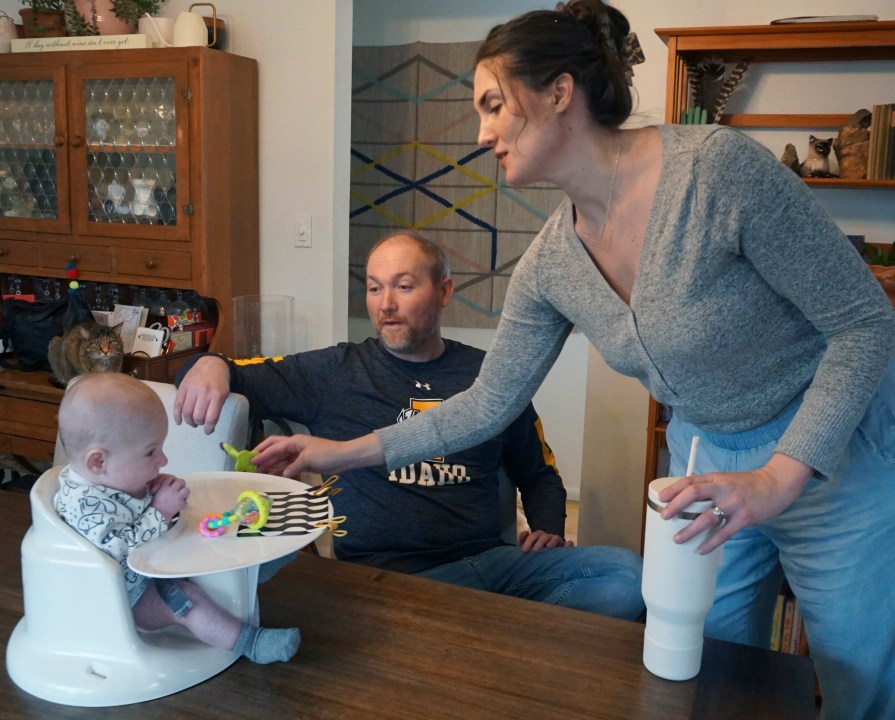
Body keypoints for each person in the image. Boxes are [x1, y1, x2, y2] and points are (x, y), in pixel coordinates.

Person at [235, 3, 895, 719]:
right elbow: (487, 403)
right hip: (705, 461)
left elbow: (863, 324)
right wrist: (342, 453)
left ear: (558, 92)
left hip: (833, 453)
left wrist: (778, 475)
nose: (481, 131)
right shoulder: (551, 262)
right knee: (708, 672)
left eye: (492, 105)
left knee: (856, 678)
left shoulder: (716, 173)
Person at [174, 230, 644, 620]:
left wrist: (547, 528)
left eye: (403, 285)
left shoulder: (490, 375)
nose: (386, 304)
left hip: (488, 564)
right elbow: (230, 371)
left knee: (628, 578)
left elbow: (539, 474)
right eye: (375, 288)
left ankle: (481, 628)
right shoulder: (335, 371)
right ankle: (496, 630)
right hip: (383, 577)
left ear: (444, 291)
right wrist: (208, 364)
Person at [54, 372, 300, 665]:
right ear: (98, 461)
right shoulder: (83, 505)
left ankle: (249, 570)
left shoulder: (109, 479)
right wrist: (159, 511)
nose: (163, 460)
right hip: (127, 598)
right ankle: (252, 644)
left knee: (205, 545)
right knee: (187, 599)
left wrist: (153, 493)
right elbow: (116, 549)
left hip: (153, 567)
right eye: (150, 453)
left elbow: (133, 515)